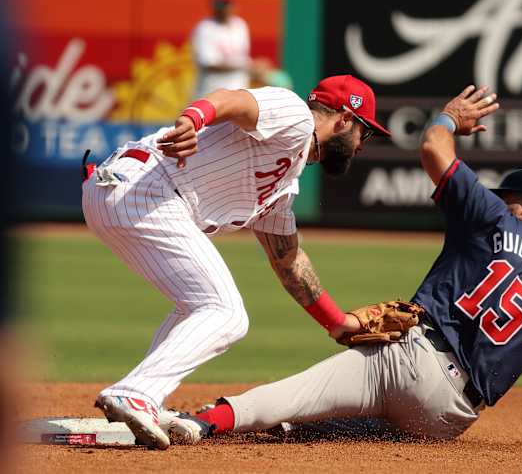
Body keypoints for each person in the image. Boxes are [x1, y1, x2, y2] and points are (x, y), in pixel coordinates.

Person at [165, 85, 522, 450]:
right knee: (371, 431)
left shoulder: (494, 218)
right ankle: (300, 432)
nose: (502, 200)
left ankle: (207, 422)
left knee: (294, 395)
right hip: (449, 416)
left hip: (406, 360)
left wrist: (450, 117)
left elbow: (433, 146)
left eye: (508, 196)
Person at [83, 74, 390, 449]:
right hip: (147, 189)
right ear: (343, 119)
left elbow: (288, 260)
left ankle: (146, 398)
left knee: (195, 308)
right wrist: (194, 118)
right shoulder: (295, 116)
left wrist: (337, 322)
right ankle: (134, 393)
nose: (361, 145)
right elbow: (233, 100)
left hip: (131, 192)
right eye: (364, 132)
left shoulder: (284, 182)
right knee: (226, 313)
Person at [192, 0, 251, 97]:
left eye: (226, 4)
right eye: (219, 5)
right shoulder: (205, 28)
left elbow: (242, 57)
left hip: (238, 91)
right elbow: (209, 64)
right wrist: (245, 66)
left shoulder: (240, 25)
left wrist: (255, 68)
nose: (223, 9)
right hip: (211, 94)